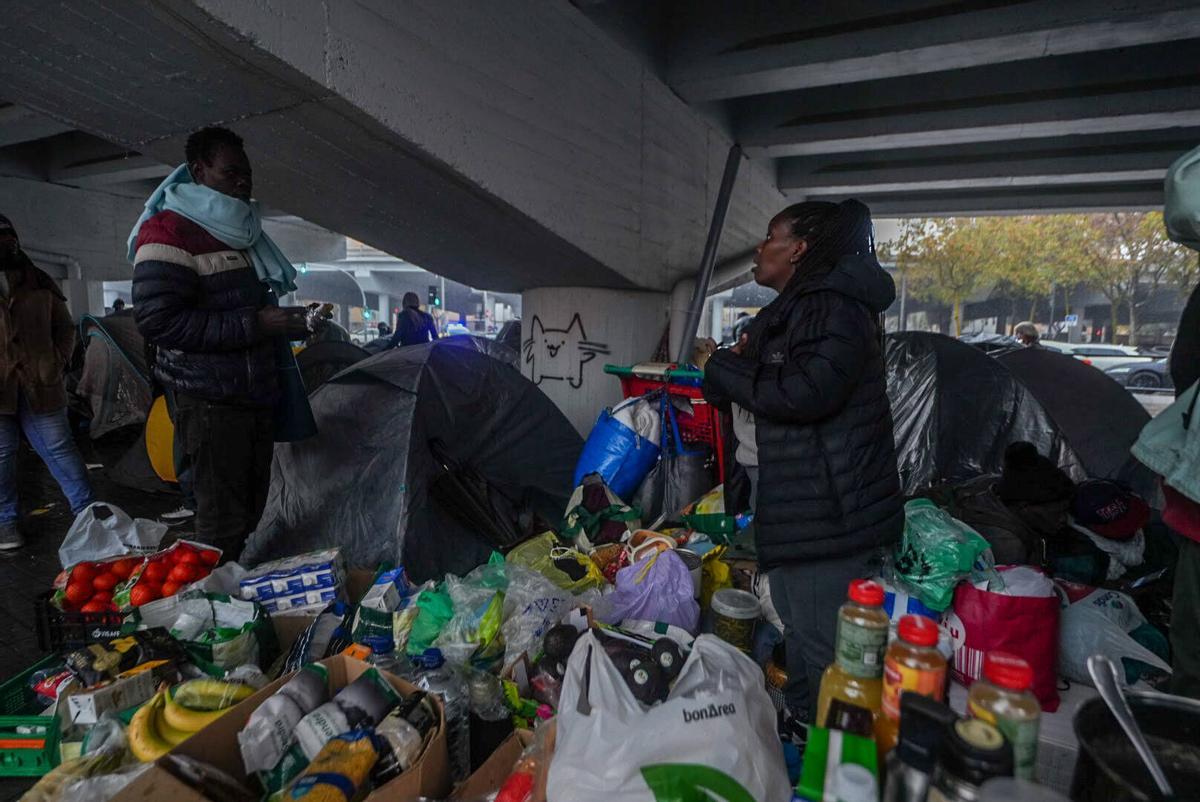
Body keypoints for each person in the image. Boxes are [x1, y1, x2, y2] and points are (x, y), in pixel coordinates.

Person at [703, 200, 903, 741]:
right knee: (795, 621)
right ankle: (799, 730)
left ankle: (830, 758)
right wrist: (727, 367)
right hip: (791, 494)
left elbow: (803, 392)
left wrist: (721, 364)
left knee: (820, 642)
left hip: (824, 504)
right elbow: (736, 389)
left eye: (771, 236)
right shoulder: (791, 312)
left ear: (799, 249)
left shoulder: (832, 307)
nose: (758, 249)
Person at [130, 126, 308, 560]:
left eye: (247, 174)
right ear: (199, 171)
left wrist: (284, 324)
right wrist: (256, 324)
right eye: (230, 173)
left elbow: (236, 306)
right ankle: (212, 597)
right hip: (209, 401)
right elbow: (158, 320)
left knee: (251, 510)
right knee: (220, 521)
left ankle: (234, 587)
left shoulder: (241, 232)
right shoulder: (169, 230)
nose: (242, 182)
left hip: (253, 396)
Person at [0, 214, 95, 549]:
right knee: (2, 454)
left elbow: (65, 327)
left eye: (8, 236)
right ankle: (5, 522)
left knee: (60, 449)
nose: (5, 243)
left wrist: (57, 361)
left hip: (40, 382)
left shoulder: (38, 281)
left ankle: (89, 515)